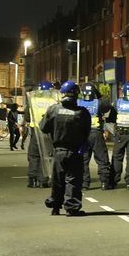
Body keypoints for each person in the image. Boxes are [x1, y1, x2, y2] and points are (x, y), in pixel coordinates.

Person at [40, 81, 91, 216]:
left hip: (58, 150)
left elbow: (43, 128)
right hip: (75, 151)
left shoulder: (53, 110)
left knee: (58, 179)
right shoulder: (82, 113)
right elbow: (87, 132)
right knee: (73, 179)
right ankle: (72, 207)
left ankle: (55, 207)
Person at [78, 82, 115, 189]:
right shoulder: (99, 103)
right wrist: (98, 94)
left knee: (83, 160)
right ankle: (104, 182)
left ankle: (84, 184)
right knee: (102, 159)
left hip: (82, 135)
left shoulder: (78, 102)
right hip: (96, 133)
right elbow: (108, 105)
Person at [27, 81, 57, 187]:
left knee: (34, 155)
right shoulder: (53, 101)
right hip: (49, 132)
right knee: (47, 156)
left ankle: (33, 179)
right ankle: (44, 179)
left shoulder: (33, 100)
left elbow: (27, 116)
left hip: (35, 130)